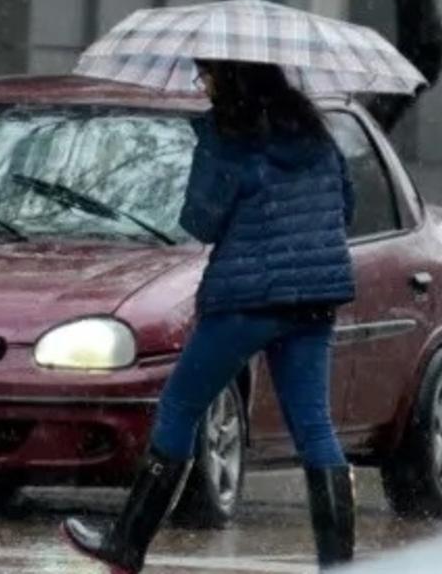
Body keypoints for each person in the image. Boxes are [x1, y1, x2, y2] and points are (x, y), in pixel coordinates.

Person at [61, 60, 357, 572]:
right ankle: (338, 564)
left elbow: (203, 220)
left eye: (207, 75)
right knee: (314, 426)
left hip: (247, 298)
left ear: (232, 80)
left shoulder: (229, 135)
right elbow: (345, 207)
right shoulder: (314, 134)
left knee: (179, 406)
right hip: (312, 298)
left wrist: (208, 159)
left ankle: (127, 544)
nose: (202, 84)